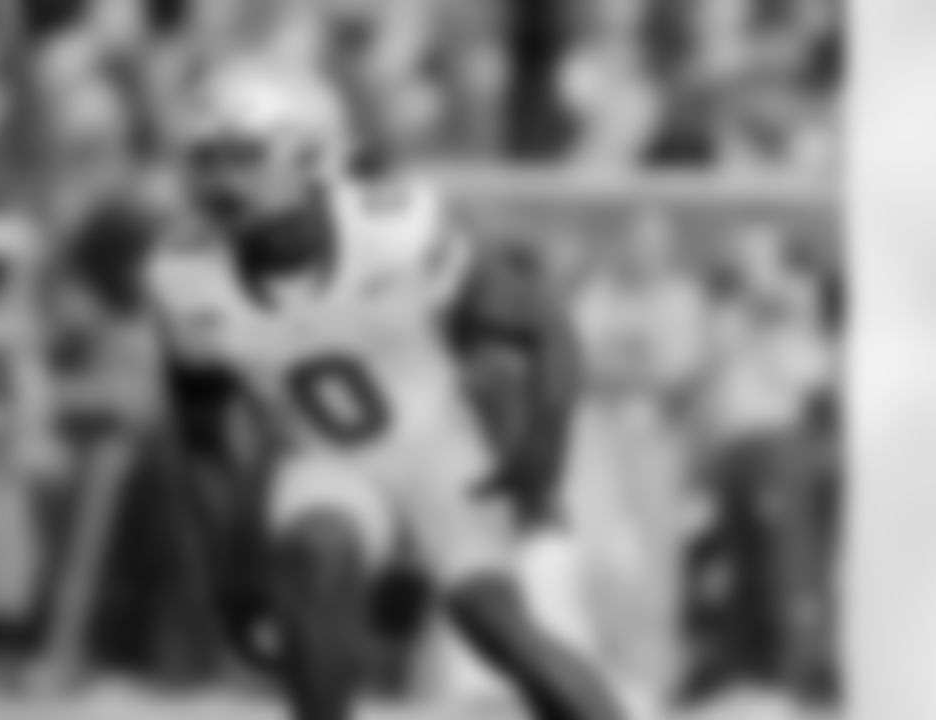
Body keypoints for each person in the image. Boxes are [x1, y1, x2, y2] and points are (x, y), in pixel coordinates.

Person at [146, 57, 627, 720]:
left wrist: (543, 454)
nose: (219, 182)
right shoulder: (184, 277)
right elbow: (201, 439)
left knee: (499, 629)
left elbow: (543, 326)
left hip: (439, 449)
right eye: (204, 160)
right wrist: (229, 577)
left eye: (243, 157)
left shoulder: (391, 229)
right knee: (315, 557)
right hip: (326, 462)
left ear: (311, 153)